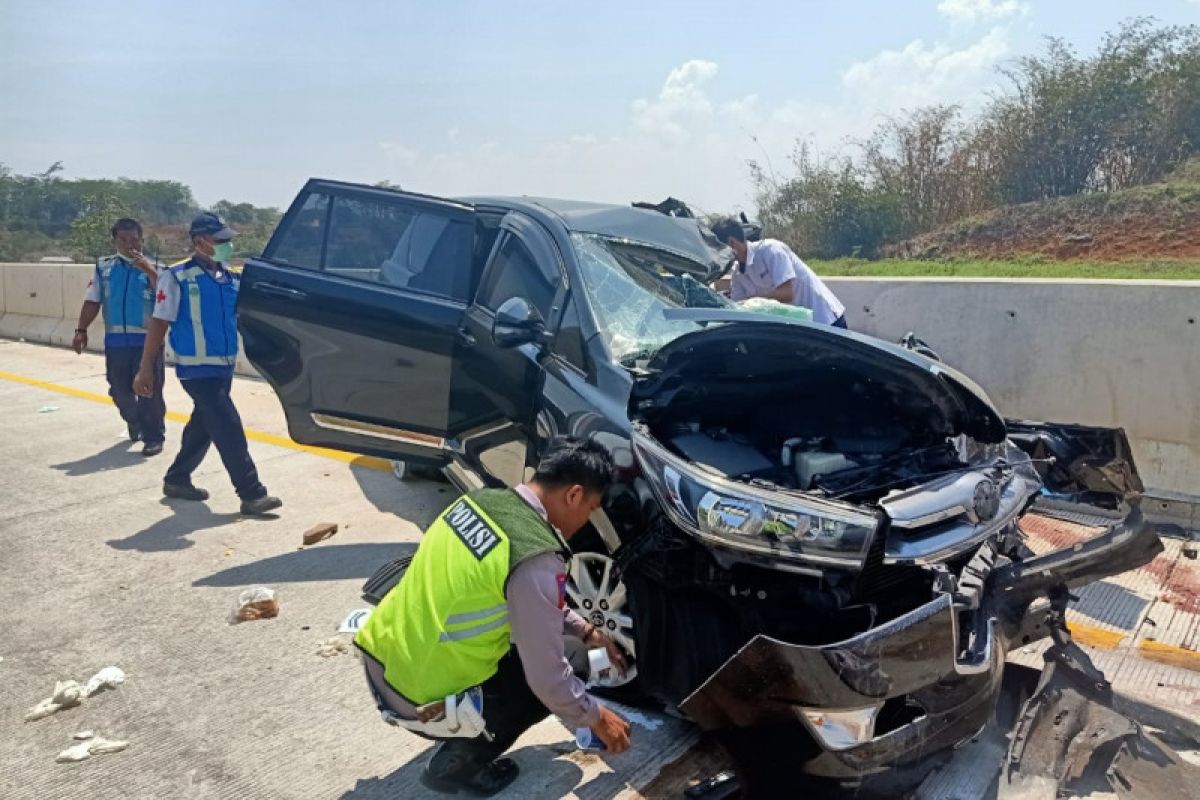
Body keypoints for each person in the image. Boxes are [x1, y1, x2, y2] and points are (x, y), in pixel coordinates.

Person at [355, 436, 633, 796]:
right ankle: (458, 766)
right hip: (418, 695)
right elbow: (549, 680)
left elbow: (534, 601)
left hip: (384, 659)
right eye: (591, 508)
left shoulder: (478, 502)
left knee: (572, 646)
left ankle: (465, 733)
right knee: (570, 665)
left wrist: (586, 630)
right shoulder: (535, 559)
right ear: (574, 495)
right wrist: (598, 718)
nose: (587, 520)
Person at [132, 212, 282, 516]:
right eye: (220, 240)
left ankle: (176, 478)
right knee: (227, 426)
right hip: (196, 370)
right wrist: (146, 367)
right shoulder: (176, 278)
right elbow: (159, 324)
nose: (227, 245)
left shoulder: (232, 278)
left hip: (223, 367)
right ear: (200, 241)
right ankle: (251, 494)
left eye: (228, 239)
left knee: (204, 426)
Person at [72, 218, 166, 455]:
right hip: (116, 342)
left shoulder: (158, 267)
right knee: (118, 390)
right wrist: (81, 330)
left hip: (148, 342)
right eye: (122, 240)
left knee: (149, 391)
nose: (129, 245)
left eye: (134, 239)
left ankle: (154, 436)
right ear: (114, 241)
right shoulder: (104, 268)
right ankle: (134, 421)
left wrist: (149, 270)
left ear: (142, 240)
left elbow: (167, 297)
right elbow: (93, 300)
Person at [710, 217, 848, 328]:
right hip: (801, 330)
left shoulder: (771, 251)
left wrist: (754, 303)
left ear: (731, 243)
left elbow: (786, 294)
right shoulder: (738, 273)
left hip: (825, 320)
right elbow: (738, 308)